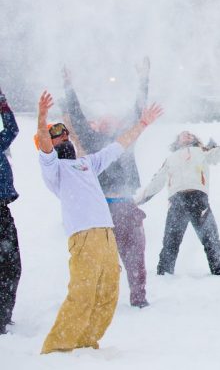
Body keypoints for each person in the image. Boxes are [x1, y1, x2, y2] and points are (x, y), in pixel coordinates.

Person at [37, 90, 162, 354]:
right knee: (82, 294)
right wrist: (42, 116)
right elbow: (47, 145)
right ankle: (56, 349)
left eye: (66, 136)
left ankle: (85, 342)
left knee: (108, 294)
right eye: (58, 138)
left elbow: (118, 146)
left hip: (106, 234)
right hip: (84, 236)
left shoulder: (88, 164)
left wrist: (142, 124)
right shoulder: (54, 170)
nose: (65, 140)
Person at [61, 60, 151, 307]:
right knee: (99, 257)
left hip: (124, 204)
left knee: (135, 253)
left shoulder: (126, 142)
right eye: (102, 120)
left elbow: (138, 110)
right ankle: (97, 300)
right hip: (100, 208)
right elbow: (77, 117)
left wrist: (144, 78)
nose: (107, 121)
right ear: (97, 126)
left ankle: (139, 298)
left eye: (112, 119)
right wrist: (68, 85)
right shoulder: (92, 143)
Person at [135, 132, 220, 276]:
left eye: (190, 135)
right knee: (170, 241)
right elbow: (156, 181)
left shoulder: (202, 151)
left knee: (210, 238)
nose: (187, 136)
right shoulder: (170, 159)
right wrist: (137, 201)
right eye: (183, 135)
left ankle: (219, 273)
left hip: (198, 199)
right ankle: (164, 274)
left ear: (196, 140)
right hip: (176, 201)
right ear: (177, 141)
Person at [0, 86, 20, 335]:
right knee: (9, 265)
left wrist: (3, 104)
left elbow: (12, 129)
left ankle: (4, 314)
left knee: (11, 265)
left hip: (3, 210)